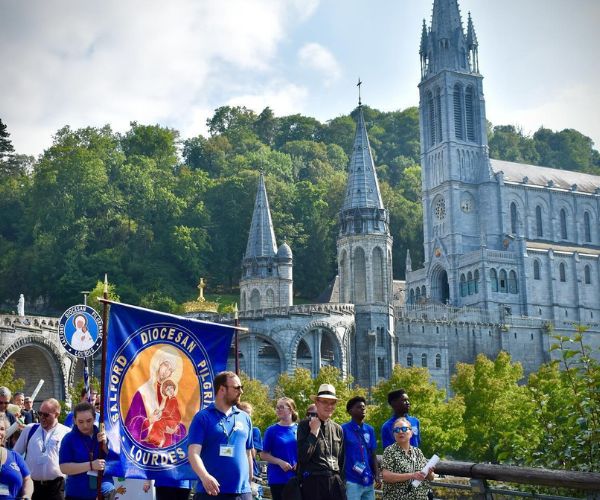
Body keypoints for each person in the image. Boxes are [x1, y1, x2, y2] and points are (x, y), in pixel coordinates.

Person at [188, 371, 253, 499]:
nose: (241, 391)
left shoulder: (245, 418)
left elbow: (248, 453)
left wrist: (249, 483)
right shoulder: (202, 418)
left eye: (241, 387)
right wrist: (205, 476)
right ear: (222, 389)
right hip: (211, 492)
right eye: (236, 388)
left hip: (242, 493)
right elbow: (193, 453)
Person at [124, 347, 186, 447]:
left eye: (170, 370)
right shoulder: (142, 393)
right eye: (166, 365)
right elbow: (131, 425)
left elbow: (177, 418)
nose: (167, 371)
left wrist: (176, 429)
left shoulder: (170, 397)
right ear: (158, 364)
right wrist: (149, 421)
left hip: (168, 454)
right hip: (146, 450)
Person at [13, 398, 70, 500]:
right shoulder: (30, 429)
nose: (42, 417)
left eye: (46, 415)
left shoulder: (66, 432)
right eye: (40, 413)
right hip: (33, 487)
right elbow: (15, 455)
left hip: (56, 487)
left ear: (56, 414)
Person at [297, 383, 345, 500]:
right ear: (317, 403)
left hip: (335, 482)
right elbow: (303, 457)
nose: (329, 406)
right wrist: (313, 432)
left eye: (332, 403)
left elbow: (341, 460)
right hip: (314, 484)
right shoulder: (304, 425)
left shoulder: (338, 428)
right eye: (325, 402)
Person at [59, 402, 115, 499]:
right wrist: (91, 465)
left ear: (94, 418)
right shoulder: (69, 439)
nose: (85, 425)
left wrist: (105, 446)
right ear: (74, 420)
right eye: (81, 422)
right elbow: (64, 468)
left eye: (89, 421)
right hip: (77, 494)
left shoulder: (104, 435)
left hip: (103, 492)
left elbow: (115, 461)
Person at [381, 418, 434, 500]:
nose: (400, 432)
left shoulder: (418, 452)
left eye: (404, 429)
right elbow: (386, 476)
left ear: (411, 433)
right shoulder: (389, 451)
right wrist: (412, 475)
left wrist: (430, 473)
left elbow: (431, 478)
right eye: (397, 430)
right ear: (394, 434)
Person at [261, 397, 298, 500]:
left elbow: (306, 452)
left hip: (297, 478)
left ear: (291, 409)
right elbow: (263, 454)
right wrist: (279, 462)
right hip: (278, 479)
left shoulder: (300, 429)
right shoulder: (271, 430)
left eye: (281, 407)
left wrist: (300, 463)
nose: (278, 410)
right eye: (277, 407)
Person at [342, 396, 379, 500]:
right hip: (351, 480)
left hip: (368, 479)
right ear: (350, 411)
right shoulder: (343, 429)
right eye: (359, 407)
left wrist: (377, 474)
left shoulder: (369, 429)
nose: (363, 409)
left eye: (364, 407)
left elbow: (373, 454)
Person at [0, 414, 33, 500]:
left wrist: (27, 495)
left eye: (2, 429)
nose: (0, 432)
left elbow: (27, 479)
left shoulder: (15, 456)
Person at [144, 379, 182, 448]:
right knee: (157, 423)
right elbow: (165, 410)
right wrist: (159, 411)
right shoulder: (168, 399)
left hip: (173, 421)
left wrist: (160, 413)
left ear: (174, 388)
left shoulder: (173, 400)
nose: (170, 390)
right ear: (165, 392)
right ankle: (152, 439)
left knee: (158, 423)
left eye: (171, 388)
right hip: (169, 419)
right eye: (167, 389)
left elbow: (168, 413)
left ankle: (159, 440)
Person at [237, 402, 263, 500]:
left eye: (249, 414)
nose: (247, 416)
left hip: (251, 473)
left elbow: (252, 454)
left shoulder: (254, 431)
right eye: (244, 413)